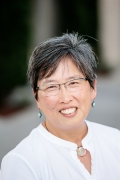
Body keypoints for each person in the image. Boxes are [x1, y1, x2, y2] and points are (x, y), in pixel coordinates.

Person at [1, 33, 120, 180]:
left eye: (73, 83)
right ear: (36, 97)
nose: (65, 98)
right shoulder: (21, 162)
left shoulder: (115, 140)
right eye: (51, 86)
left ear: (93, 88)